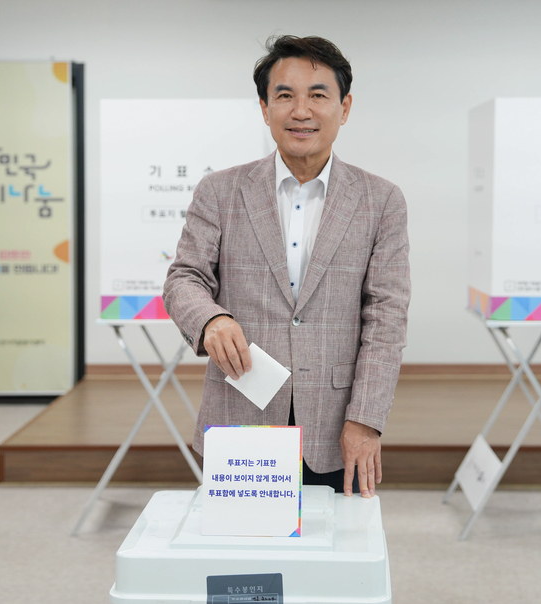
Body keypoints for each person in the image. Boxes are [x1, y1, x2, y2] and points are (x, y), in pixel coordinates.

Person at [163, 35, 410, 498]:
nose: (301, 111)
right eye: (284, 96)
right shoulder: (220, 191)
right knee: (242, 543)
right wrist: (211, 319)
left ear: (344, 107)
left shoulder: (381, 201)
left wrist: (366, 418)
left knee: (333, 542)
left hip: (337, 425)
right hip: (240, 413)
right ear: (264, 108)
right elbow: (184, 278)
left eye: (318, 95)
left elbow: (387, 316)